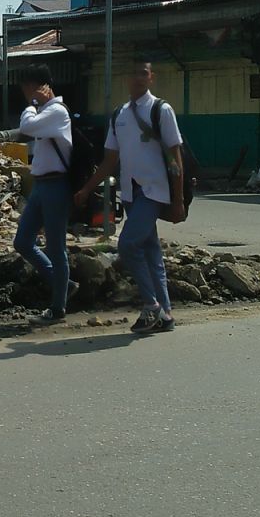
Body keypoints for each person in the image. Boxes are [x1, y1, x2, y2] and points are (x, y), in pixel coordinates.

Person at [75, 59, 187, 334]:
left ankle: (151, 306)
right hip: (130, 192)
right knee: (151, 253)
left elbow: (175, 158)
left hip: (153, 191)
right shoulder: (119, 115)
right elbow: (110, 160)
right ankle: (166, 313)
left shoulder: (161, 110)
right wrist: (88, 188)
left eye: (143, 73)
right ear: (126, 78)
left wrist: (178, 199)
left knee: (127, 245)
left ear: (151, 77)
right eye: (134, 72)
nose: (138, 77)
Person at [11, 64, 77, 326]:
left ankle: (58, 307)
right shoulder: (46, 112)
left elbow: (27, 127)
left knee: (56, 247)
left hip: (56, 186)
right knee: (23, 241)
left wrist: (32, 104)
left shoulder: (56, 112)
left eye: (27, 88)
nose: (26, 93)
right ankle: (62, 284)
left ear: (36, 86)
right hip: (41, 185)